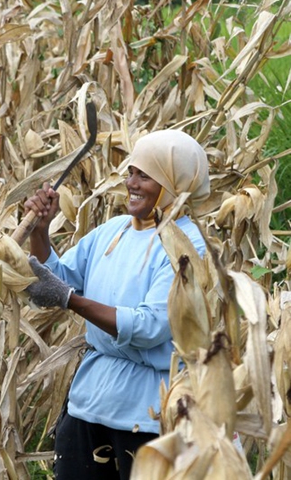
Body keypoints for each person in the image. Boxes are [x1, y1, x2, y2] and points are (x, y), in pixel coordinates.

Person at [23, 130, 210, 479]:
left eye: (145, 175)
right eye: (131, 173)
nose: (131, 183)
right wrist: (40, 233)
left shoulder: (186, 248)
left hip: (146, 416)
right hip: (88, 403)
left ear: (175, 183)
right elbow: (59, 277)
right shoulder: (114, 230)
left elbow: (150, 326)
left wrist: (70, 300)